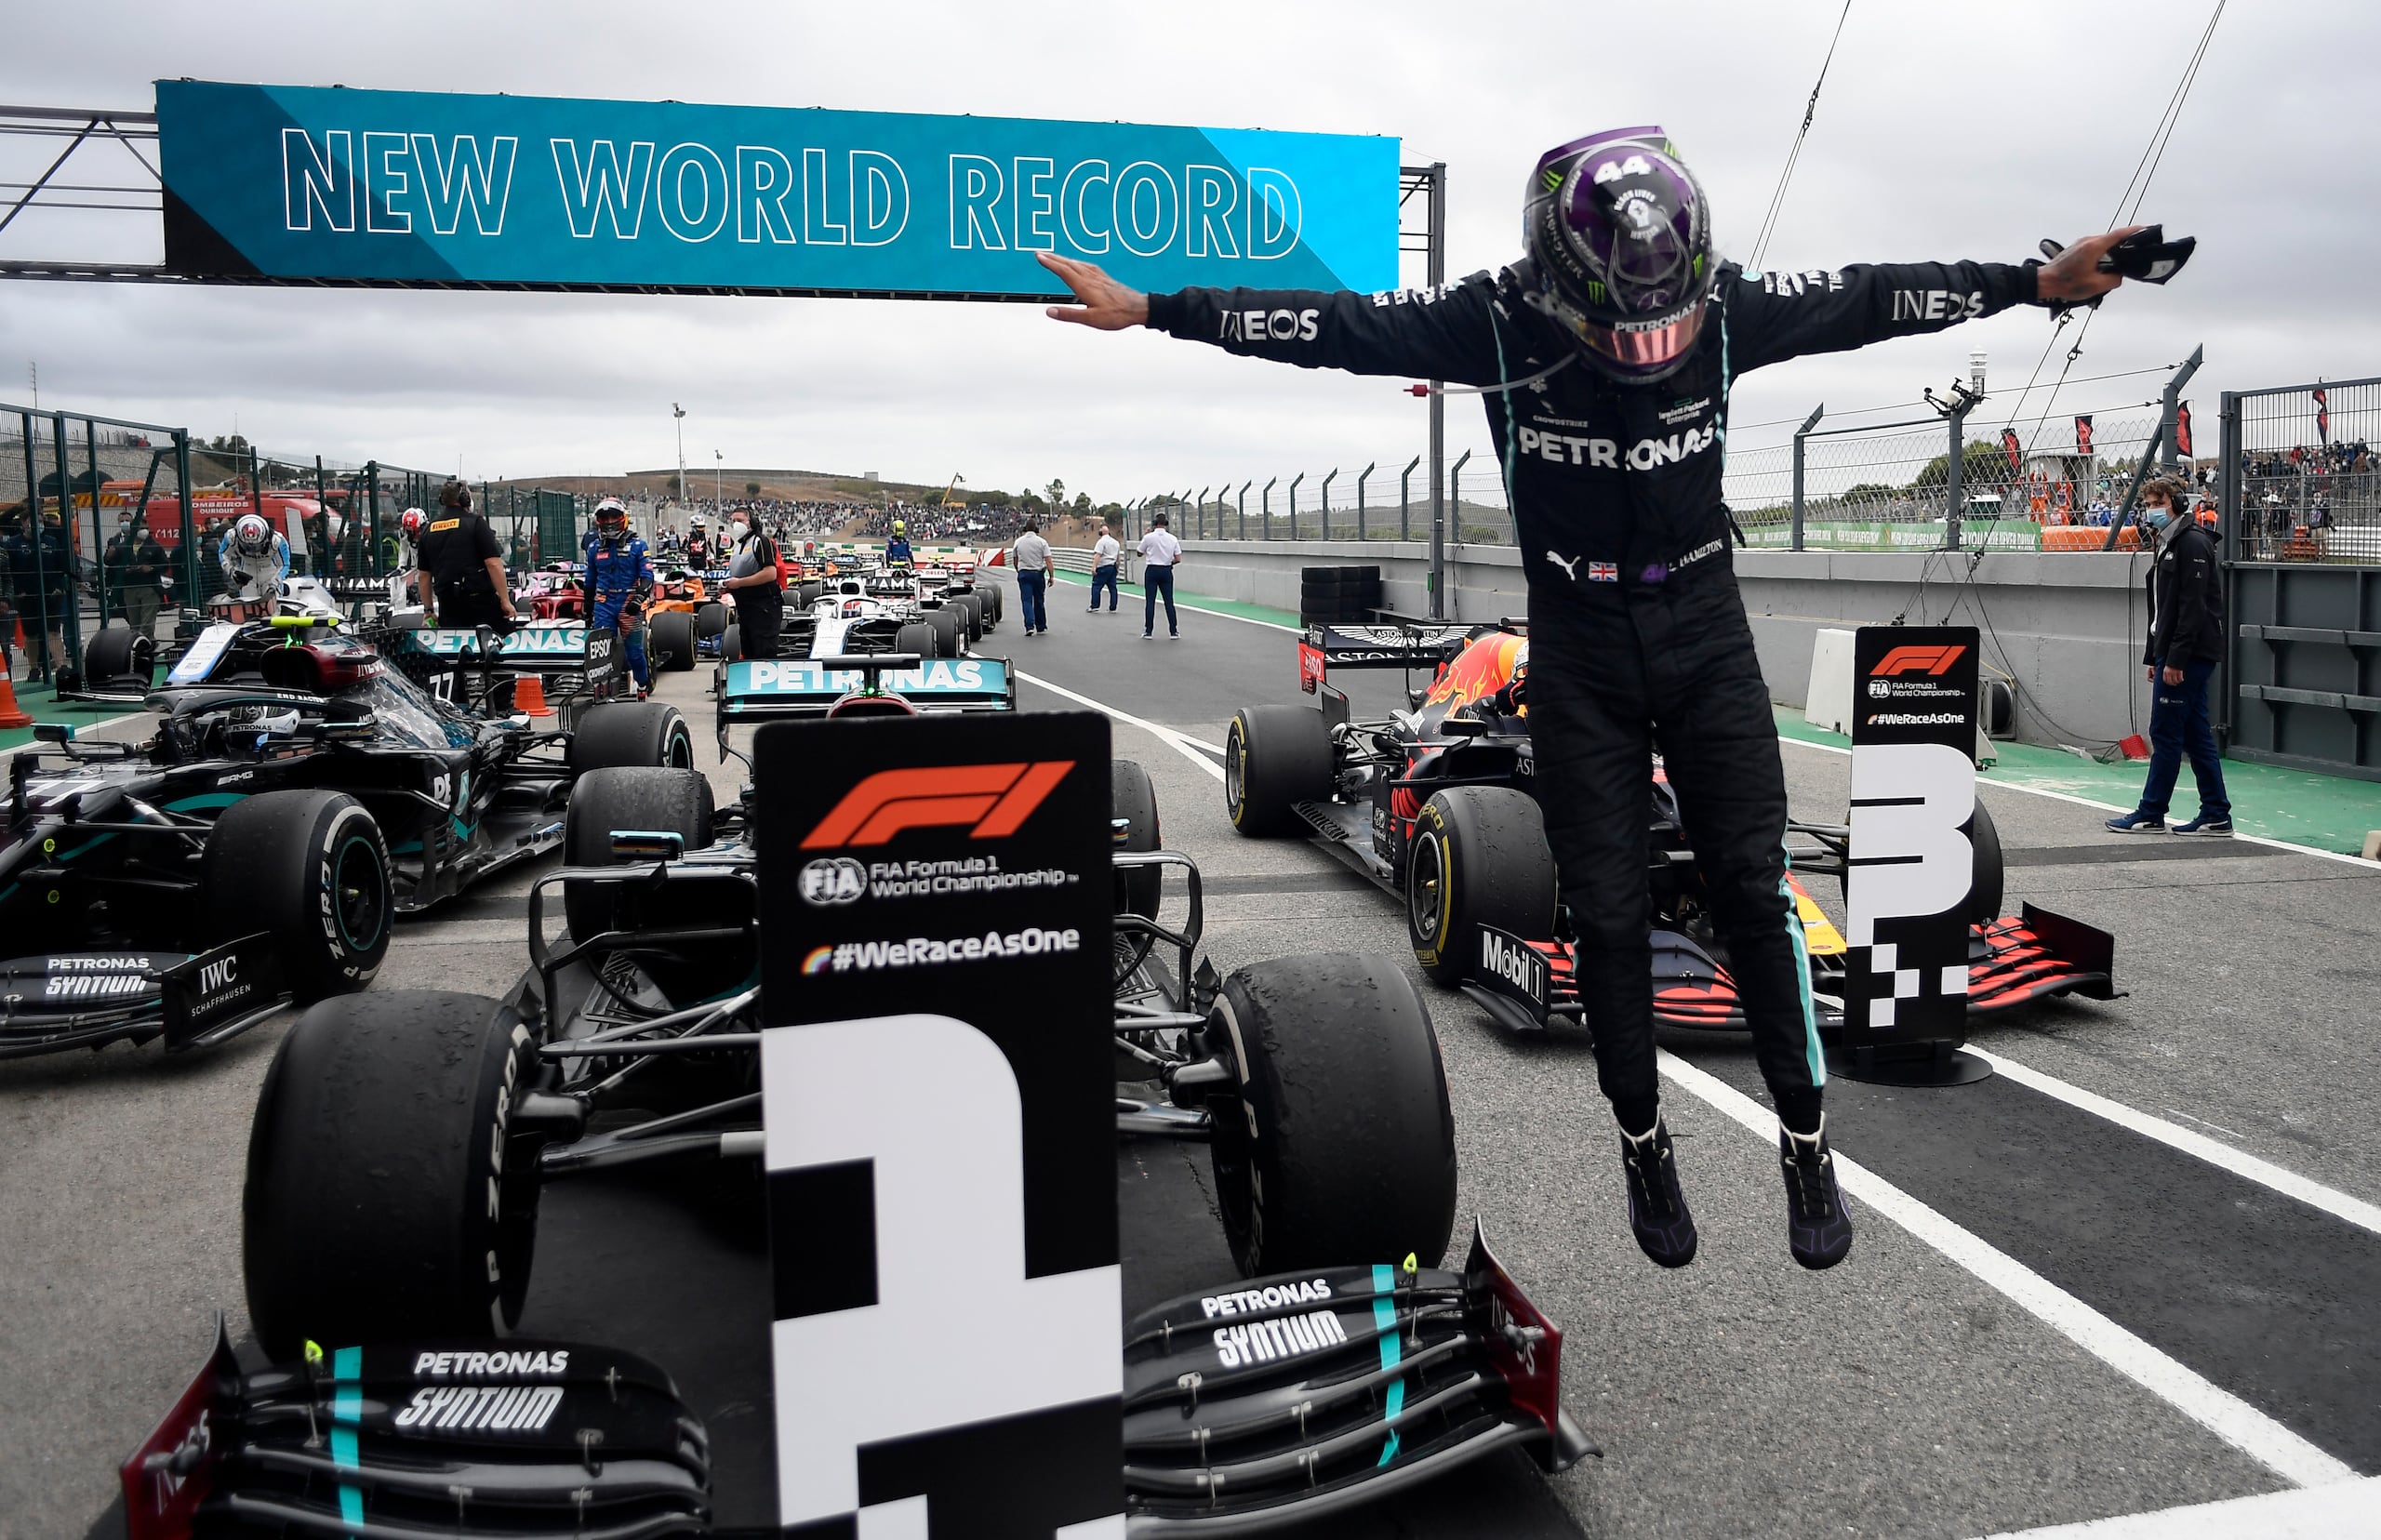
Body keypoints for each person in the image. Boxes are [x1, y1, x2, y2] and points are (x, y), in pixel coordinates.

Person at [1037, 126, 2154, 1272]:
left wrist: (2035, 284)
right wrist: (1157, 307)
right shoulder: (1489, 319)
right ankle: (1640, 1139)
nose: (1646, 339)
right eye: (1621, 321)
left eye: (1661, 317)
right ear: (1558, 279)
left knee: (1753, 890)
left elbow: (1877, 296)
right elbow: (1330, 329)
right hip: (1576, 641)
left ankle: (1806, 1144)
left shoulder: (1726, 307)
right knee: (1608, 916)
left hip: (1705, 630)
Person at [2108, 478, 2230, 836]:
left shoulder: (2191, 543)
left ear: (2176, 501)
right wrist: (2155, 657)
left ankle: (2151, 812)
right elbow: (2161, 609)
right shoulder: (2169, 543)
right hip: (2176, 652)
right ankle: (2216, 813)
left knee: (2164, 733)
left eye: (2157, 501)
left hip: (2188, 655)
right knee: (2195, 736)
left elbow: (2192, 609)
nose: (2151, 509)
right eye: (2147, 503)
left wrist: (2174, 659)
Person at [415, 481, 517, 630]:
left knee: (455, 648)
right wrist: (505, 600)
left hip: (448, 604)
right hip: (480, 602)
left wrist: (428, 610)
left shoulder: (429, 529)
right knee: (501, 641)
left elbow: (424, 575)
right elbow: (493, 564)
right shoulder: (476, 523)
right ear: (465, 499)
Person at [584, 498, 655, 689]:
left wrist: (639, 598)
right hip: (603, 603)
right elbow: (589, 581)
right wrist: (587, 608)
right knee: (601, 650)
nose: (609, 521)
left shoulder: (639, 545)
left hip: (629, 603)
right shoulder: (593, 548)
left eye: (613, 516)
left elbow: (648, 575)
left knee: (634, 650)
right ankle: (603, 690)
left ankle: (643, 683)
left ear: (623, 518)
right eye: (604, 517)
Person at [722, 508, 785, 658]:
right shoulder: (737, 548)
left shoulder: (761, 542)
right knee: (748, 653)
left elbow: (770, 573)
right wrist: (729, 587)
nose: (736, 525)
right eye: (734, 521)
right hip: (745, 609)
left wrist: (740, 583)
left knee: (763, 653)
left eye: (740, 521)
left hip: (763, 608)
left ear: (751, 522)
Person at [220, 511, 290, 608]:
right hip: (247, 574)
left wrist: (276, 580)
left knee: (273, 607)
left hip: (270, 574)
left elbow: (284, 564)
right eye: (248, 545)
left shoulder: (277, 540)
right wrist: (232, 571)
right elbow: (223, 554)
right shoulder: (231, 537)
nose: (252, 548)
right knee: (249, 607)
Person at [119, 517, 166, 640]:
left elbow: (165, 564)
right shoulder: (124, 546)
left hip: (149, 587)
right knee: (134, 623)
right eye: (141, 528)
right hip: (130, 587)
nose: (144, 531)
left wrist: (151, 568)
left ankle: (146, 646)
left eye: (146, 528)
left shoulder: (154, 546)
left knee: (147, 623)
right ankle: (137, 646)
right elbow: (111, 563)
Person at [1137, 511, 1182, 640]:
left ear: (1154, 523)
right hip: (1166, 570)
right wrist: (1169, 562)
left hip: (1152, 570)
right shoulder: (1173, 539)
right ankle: (1173, 631)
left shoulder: (1148, 537)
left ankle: (1148, 631)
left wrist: (1145, 538)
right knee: (1169, 601)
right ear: (1166, 524)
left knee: (1150, 601)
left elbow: (1139, 553)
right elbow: (1178, 558)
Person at [1010, 520, 1053, 636]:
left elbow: (1015, 559)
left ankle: (1029, 626)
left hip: (1024, 573)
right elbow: (1048, 560)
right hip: (1038, 574)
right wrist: (1051, 576)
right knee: (1039, 600)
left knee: (1026, 600)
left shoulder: (1018, 542)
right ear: (1036, 529)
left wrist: (1018, 569)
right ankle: (1041, 626)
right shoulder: (1042, 542)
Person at [1087, 522, 1121, 613]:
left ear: (1101, 531)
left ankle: (1095, 605)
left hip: (1103, 567)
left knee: (1096, 586)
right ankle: (1113, 607)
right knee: (1113, 588)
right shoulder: (1116, 542)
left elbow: (1098, 555)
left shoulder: (1101, 542)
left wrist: (1094, 567)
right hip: (1112, 567)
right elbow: (1118, 557)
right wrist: (1117, 568)